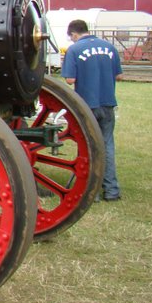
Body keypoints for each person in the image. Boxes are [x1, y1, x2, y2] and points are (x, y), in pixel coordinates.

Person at [61, 19, 124, 202]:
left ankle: (92, 192)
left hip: (87, 106)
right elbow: (119, 75)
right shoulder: (109, 47)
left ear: (73, 34)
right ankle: (111, 191)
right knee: (107, 145)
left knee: (88, 148)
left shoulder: (74, 49)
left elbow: (70, 80)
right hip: (107, 103)